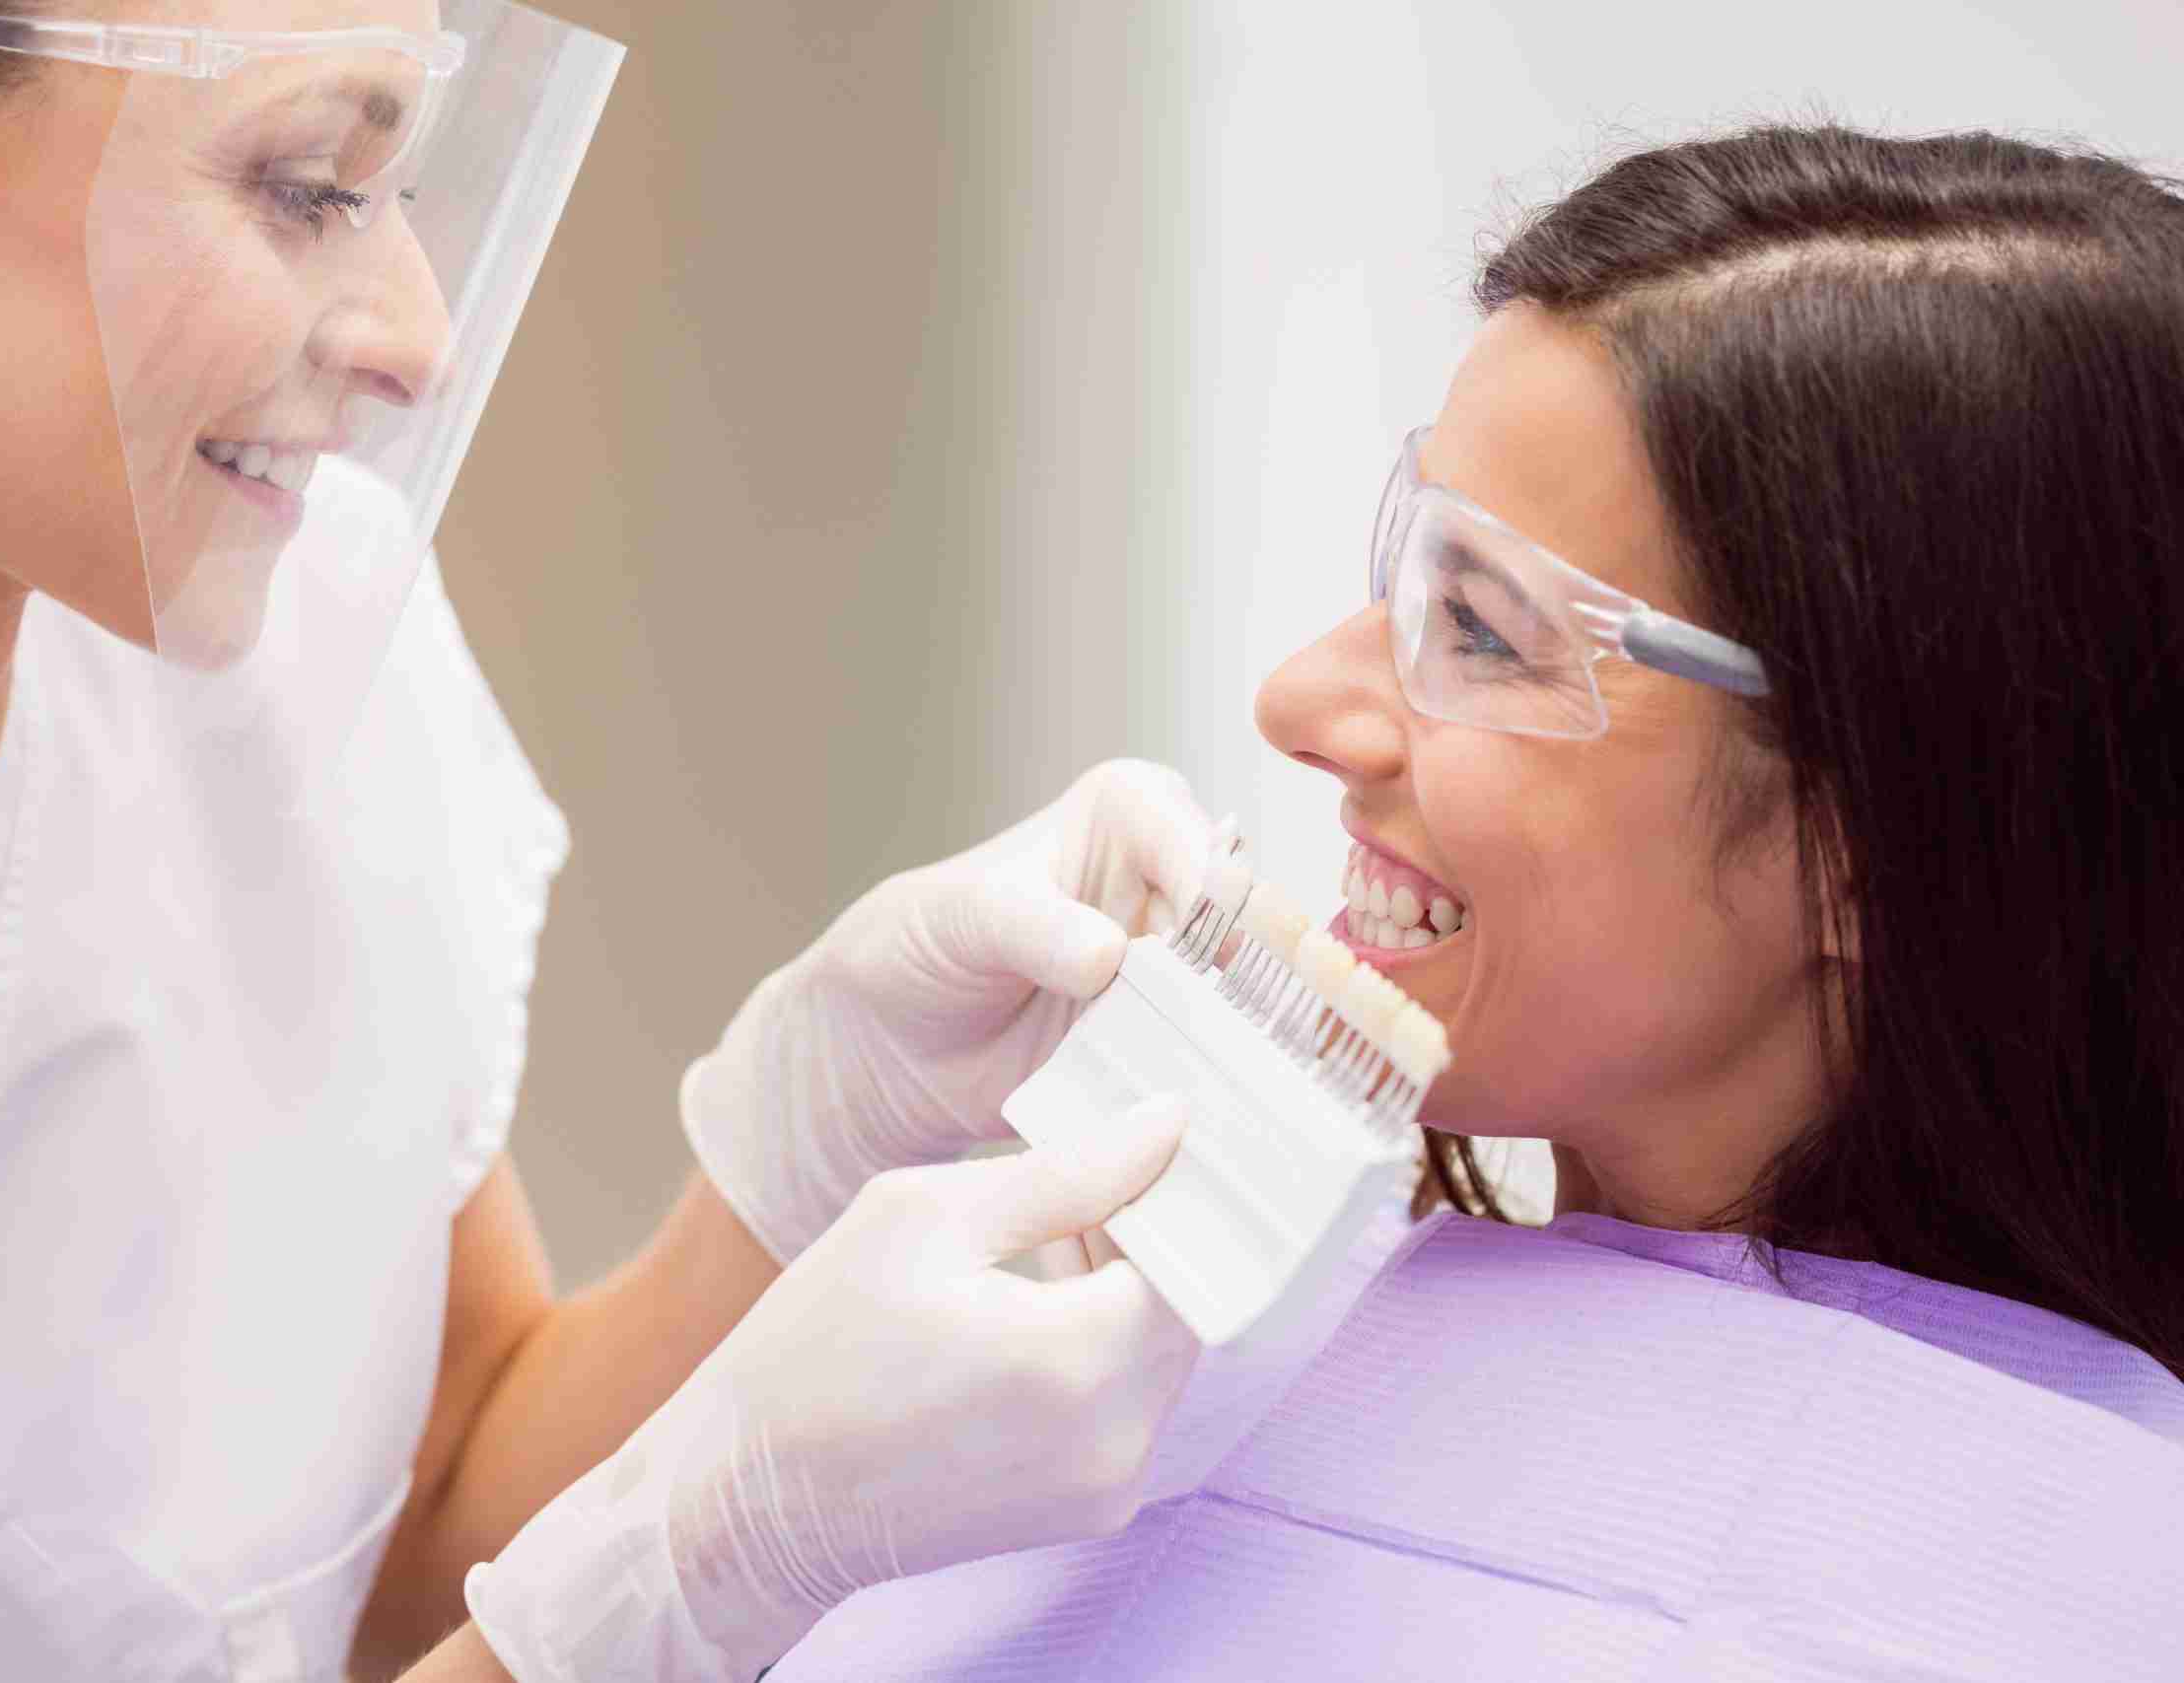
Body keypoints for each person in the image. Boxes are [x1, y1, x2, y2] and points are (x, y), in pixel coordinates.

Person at [0, 3, 1214, 1680]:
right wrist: (684, 1573)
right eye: (308, 181)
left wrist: (793, 1159)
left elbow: (422, 1527)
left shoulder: (295, 670)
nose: (418, 336)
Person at [768, 123, 2184, 1680]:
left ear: (1870, 834)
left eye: (1486, 631)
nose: (1305, 698)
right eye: (1404, 566)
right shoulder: (1224, 1366)